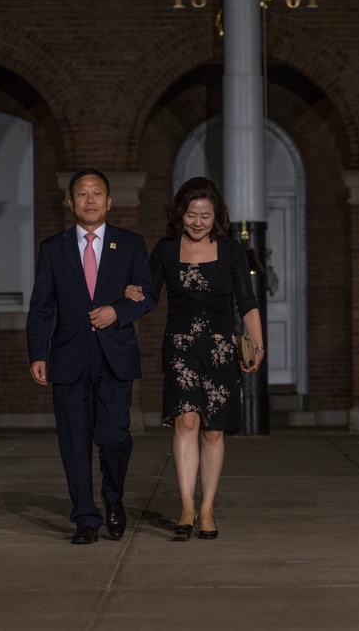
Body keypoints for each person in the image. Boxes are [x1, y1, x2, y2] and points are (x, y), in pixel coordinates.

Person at [127, 176, 264, 540]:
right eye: (191, 214)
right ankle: (187, 504)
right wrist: (125, 293)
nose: (198, 222)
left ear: (216, 216)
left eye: (205, 215)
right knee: (186, 421)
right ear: (180, 214)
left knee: (213, 429)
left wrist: (258, 346)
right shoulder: (167, 250)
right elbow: (148, 296)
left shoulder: (232, 251)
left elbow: (247, 304)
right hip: (180, 347)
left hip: (220, 348)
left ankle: (207, 508)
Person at [26, 168, 157, 544]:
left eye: (96, 193)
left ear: (109, 202)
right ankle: (85, 517)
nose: (89, 200)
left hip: (114, 356)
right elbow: (41, 306)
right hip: (68, 357)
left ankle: (113, 500)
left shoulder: (130, 244)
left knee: (114, 436)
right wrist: (37, 352)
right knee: (74, 440)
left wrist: (118, 310)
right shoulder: (53, 248)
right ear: (70, 203)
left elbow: (147, 295)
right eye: (81, 194)